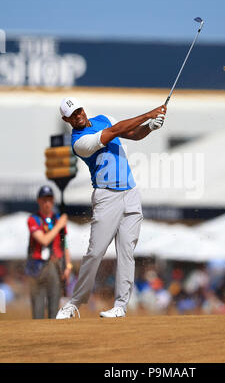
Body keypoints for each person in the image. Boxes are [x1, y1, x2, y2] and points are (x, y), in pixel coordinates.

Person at [56, 97, 166, 319]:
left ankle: (120, 306)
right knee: (95, 252)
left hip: (131, 193)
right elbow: (115, 131)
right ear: (66, 119)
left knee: (126, 252)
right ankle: (75, 302)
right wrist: (148, 114)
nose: (78, 115)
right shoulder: (79, 142)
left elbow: (132, 134)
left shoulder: (103, 119)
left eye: (79, 110)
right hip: (106, 197)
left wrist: (150, 128)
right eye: (73, 114)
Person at [26, 185, 73, 319]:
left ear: (53, 201)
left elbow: (65, 244)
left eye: (50, 200)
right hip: (37, 269)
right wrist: (59, 225)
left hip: (55, 266)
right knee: (38, 312)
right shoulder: (33, 219)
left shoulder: (58, 219)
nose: (47, 203)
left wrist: (68, 266)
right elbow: (44, 240)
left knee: (54, 310)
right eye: (44, 200)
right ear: (39, 201)